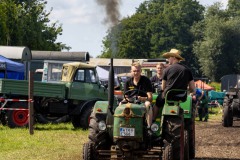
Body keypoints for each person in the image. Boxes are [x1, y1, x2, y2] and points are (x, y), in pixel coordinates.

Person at [153, 49, 195, 121]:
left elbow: (163, 87)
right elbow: (192, 87)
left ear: (174, 57)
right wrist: (190, 91)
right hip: (182, 96)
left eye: (169, 57)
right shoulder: (187, 70)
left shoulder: (167, 70)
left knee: (157, 103)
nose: (168, 59)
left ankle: (152, 121)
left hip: (168, 96)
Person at [124, 62, 153, 127]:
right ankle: (123, 125)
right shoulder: (127, 82)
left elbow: (150, 97)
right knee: (120, 104)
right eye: (134, 71)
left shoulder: (146, 81)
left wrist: (142, 98)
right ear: (131, 71)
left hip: (142, 102)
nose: (136, 73)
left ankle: (149, 127)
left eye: (138, 71)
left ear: (141, 71)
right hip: (130, 101)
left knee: (148, 104)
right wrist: (128, 100)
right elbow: (125, 96)